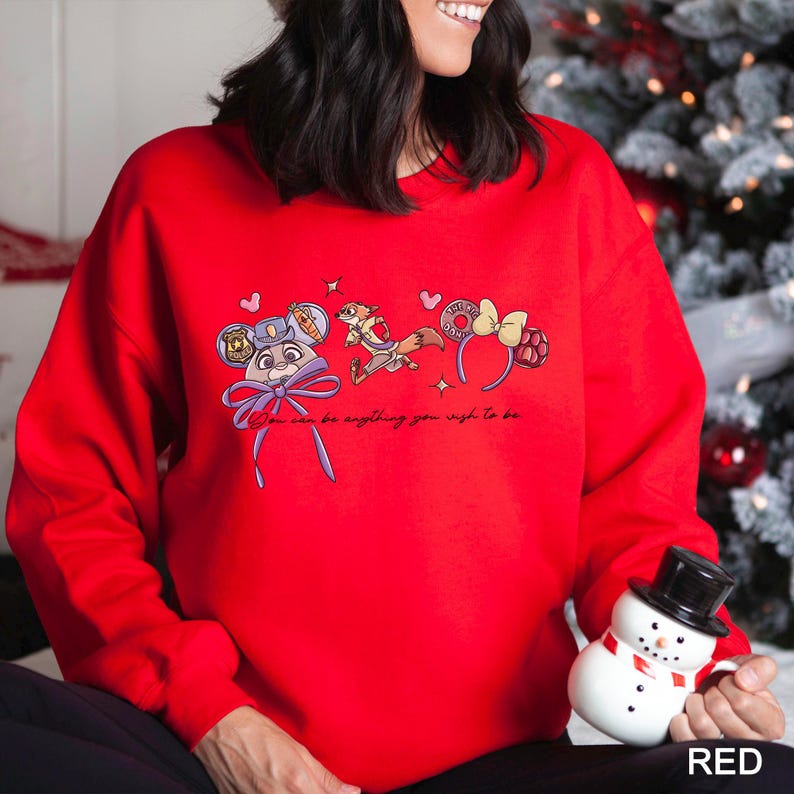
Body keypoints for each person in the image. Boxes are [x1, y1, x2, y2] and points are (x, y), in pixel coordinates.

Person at [3, 0, 791, 792]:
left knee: (759, 774)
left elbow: (636, 501)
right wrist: (215, 720)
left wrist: (699, 664)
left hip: (496, 767)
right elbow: (71, 496)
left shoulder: (567, 186)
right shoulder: (171, 189)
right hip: (225, 758)